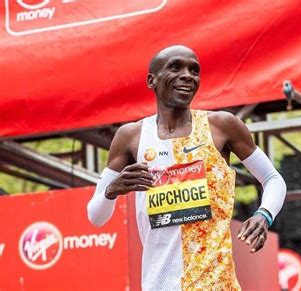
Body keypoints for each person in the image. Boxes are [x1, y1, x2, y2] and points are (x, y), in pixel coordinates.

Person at [87, 45, 286, 290]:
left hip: (215, 282)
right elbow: (96, 217)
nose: (188, 75)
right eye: (175, 67)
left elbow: (273, 178)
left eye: (194, 70)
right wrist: (110, 191)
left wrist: (263, 215)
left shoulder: (222, 126)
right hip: (158, 283)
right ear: (152, 80)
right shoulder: (131, 136)